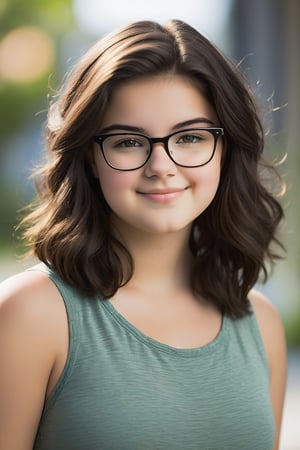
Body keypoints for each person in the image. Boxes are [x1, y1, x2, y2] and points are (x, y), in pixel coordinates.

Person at [0, 19, 287, 450]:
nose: (161, 166)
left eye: (189, 136)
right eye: (128, 142)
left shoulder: (260, 323)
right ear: (90, 159)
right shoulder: (31, 315)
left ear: (226, 151)